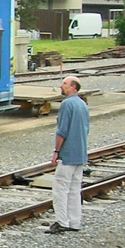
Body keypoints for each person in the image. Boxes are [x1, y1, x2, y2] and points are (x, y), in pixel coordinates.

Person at [48, 75, 89, 233]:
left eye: (65, 83)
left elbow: (62, 131)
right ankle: (74, 222)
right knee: (74, 189)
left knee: (60, 188)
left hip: (68, 154)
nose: (61, 85)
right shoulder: (82, 104)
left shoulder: (67, 104)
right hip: (80, 153)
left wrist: (56, 151)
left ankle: (62, 221)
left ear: (73, 87)